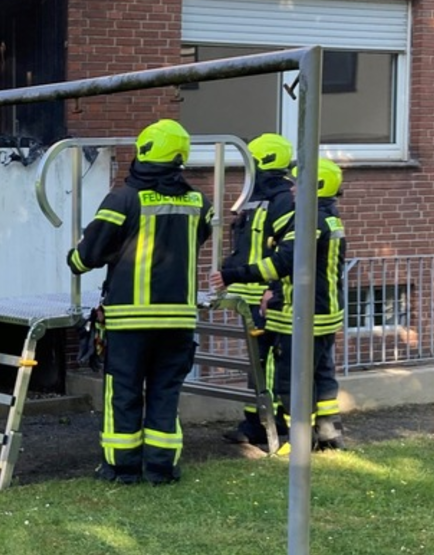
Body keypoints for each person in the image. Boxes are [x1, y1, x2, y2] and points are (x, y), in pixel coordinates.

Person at [66, 119, 213, 485]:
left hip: (130, 321)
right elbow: (199, 239)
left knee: (125, 392)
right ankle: (162, 467)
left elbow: (87, 255)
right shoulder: (198, 202)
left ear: (144, 152)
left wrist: (76, 257)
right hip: (179, 319)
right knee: (166, 391)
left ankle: (122, 467)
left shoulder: (123, 198)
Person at [210, 158, 347, 452]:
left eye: (298, 182)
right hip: (325, 313)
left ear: (316, 186)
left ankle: (300, 442)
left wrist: (232, 274)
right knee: (321, 375)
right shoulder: (329, 218)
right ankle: (328, 435)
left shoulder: (310, 221)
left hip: (302, 315)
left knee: (291, 381)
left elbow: (284, 262)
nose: (293, 188)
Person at [220, 133, 295, 445]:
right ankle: (254, 422)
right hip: (249, 294)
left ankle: (272, 425)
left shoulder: (284, 201)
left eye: (250, 164)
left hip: (266, 297)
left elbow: (288, 254)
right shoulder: (258, 199)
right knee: (257, 363)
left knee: (269, 363)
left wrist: (272, 289)